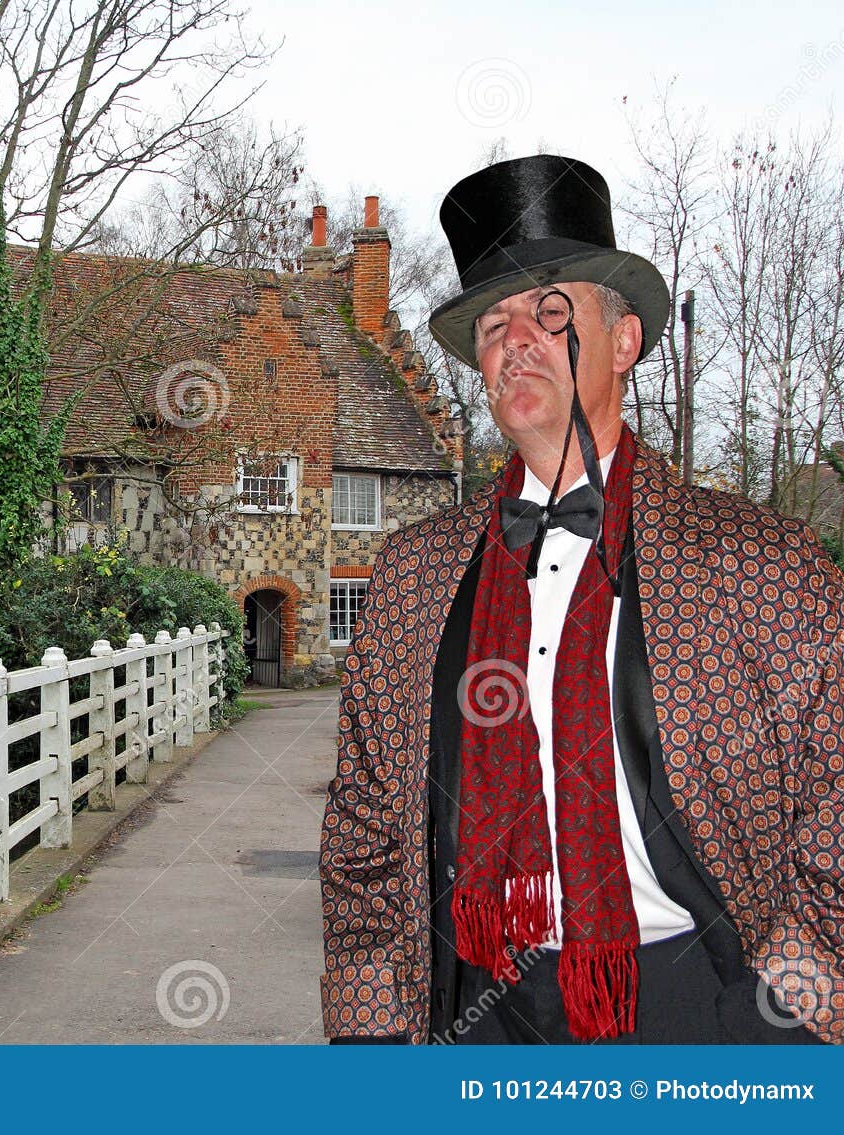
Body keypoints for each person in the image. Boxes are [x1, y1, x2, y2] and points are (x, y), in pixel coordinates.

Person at [317, 154, 843, 1044]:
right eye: (493, 322)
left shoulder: (766, 564)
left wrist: (792, 1007)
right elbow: (364, 828)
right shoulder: (412, 575)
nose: (515, 338)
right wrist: (369, 1032)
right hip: (471, 1000)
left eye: (549, 311)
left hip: (703, 1003)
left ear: (624, 341)